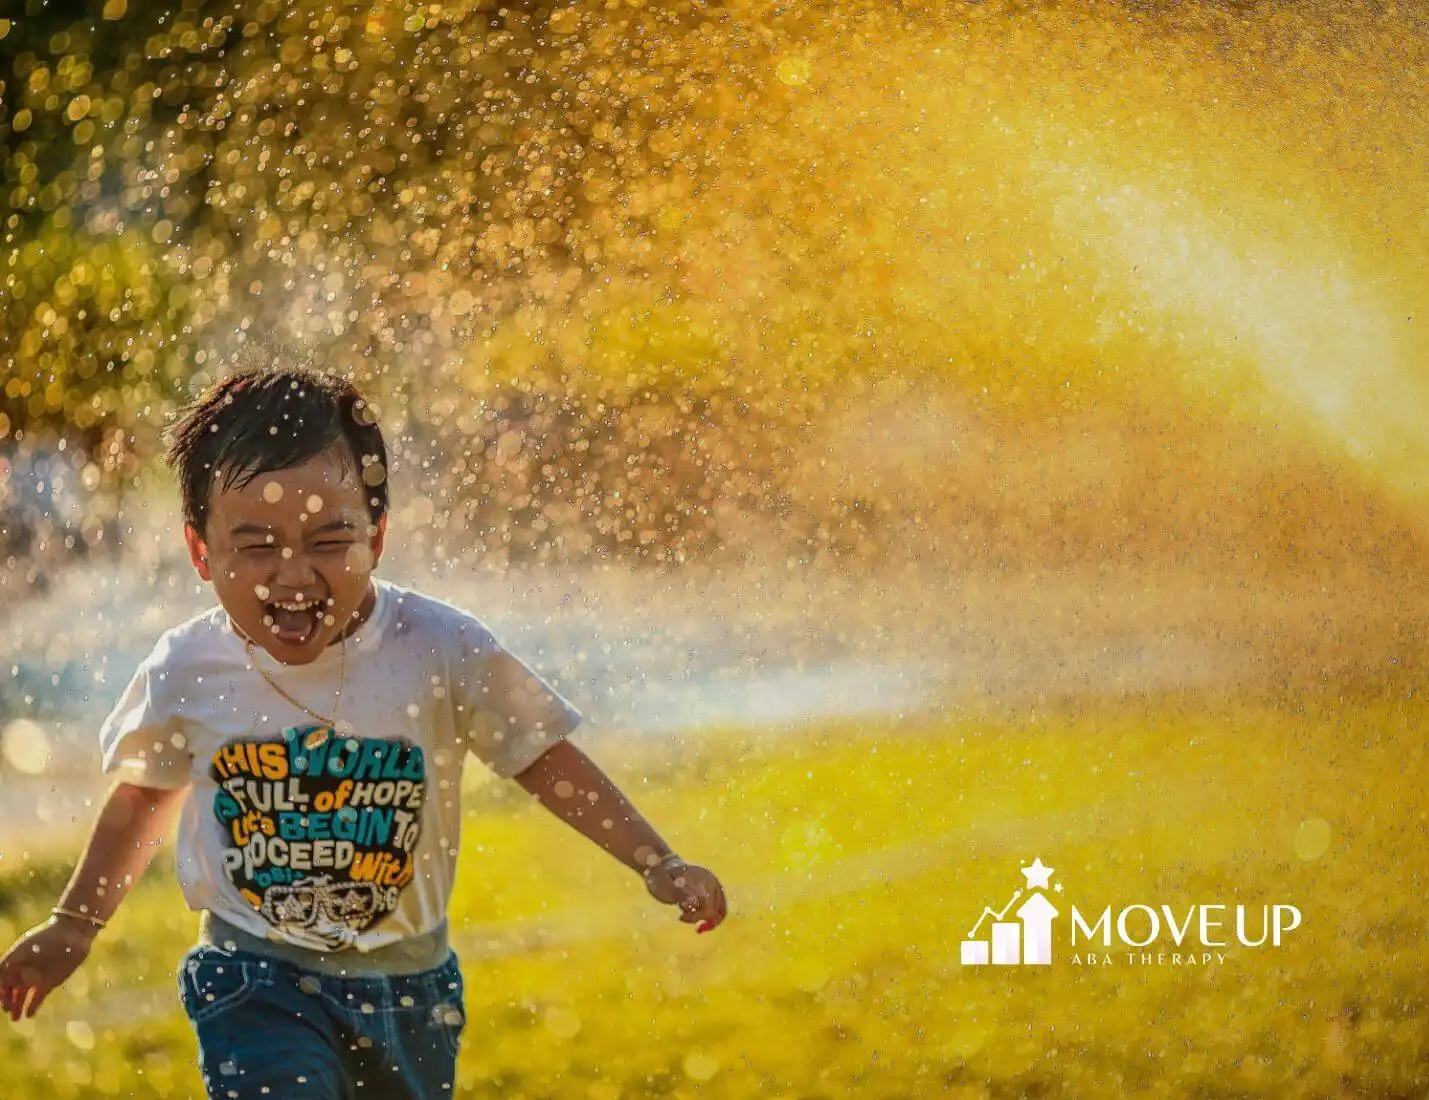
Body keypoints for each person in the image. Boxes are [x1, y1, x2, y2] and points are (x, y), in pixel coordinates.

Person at [0, 366, 727, 1098]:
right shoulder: (189, 667)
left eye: (327, 540)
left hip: (410, 989)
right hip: (254, 975)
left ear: (376, 537)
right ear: (200, 552)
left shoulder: (438, 647)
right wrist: (75, 922)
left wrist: (654, 860)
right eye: (255, 546)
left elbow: (541, 756)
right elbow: (144, 797)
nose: (292, 575)